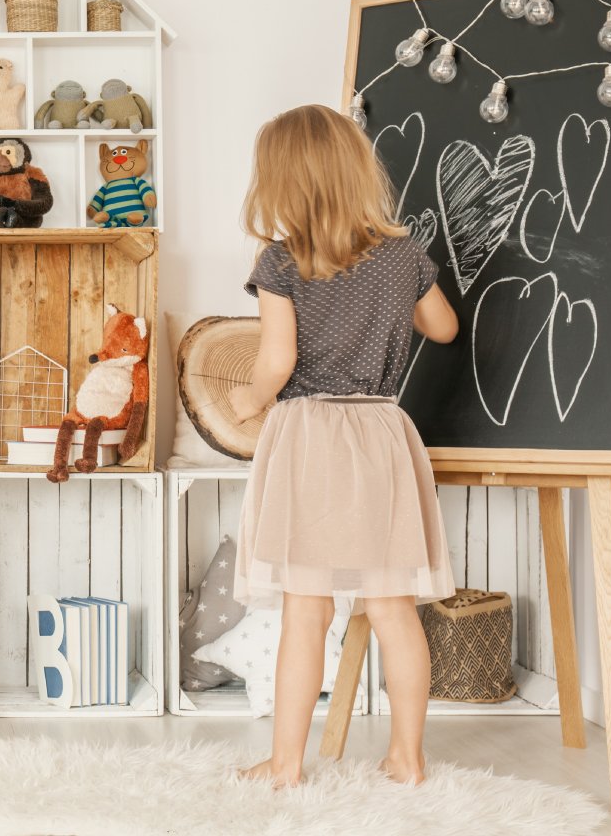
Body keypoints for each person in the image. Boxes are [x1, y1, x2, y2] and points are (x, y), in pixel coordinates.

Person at [228, 103, 459, 788]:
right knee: (392, 607)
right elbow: (442, 329)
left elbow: (277, 360)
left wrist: (248, 400)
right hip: (382, 431)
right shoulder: (403, 257)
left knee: (308, 609)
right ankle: (407, 759)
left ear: (280, 182)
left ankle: (286, 765)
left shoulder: (281, 261)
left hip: (311, 436)